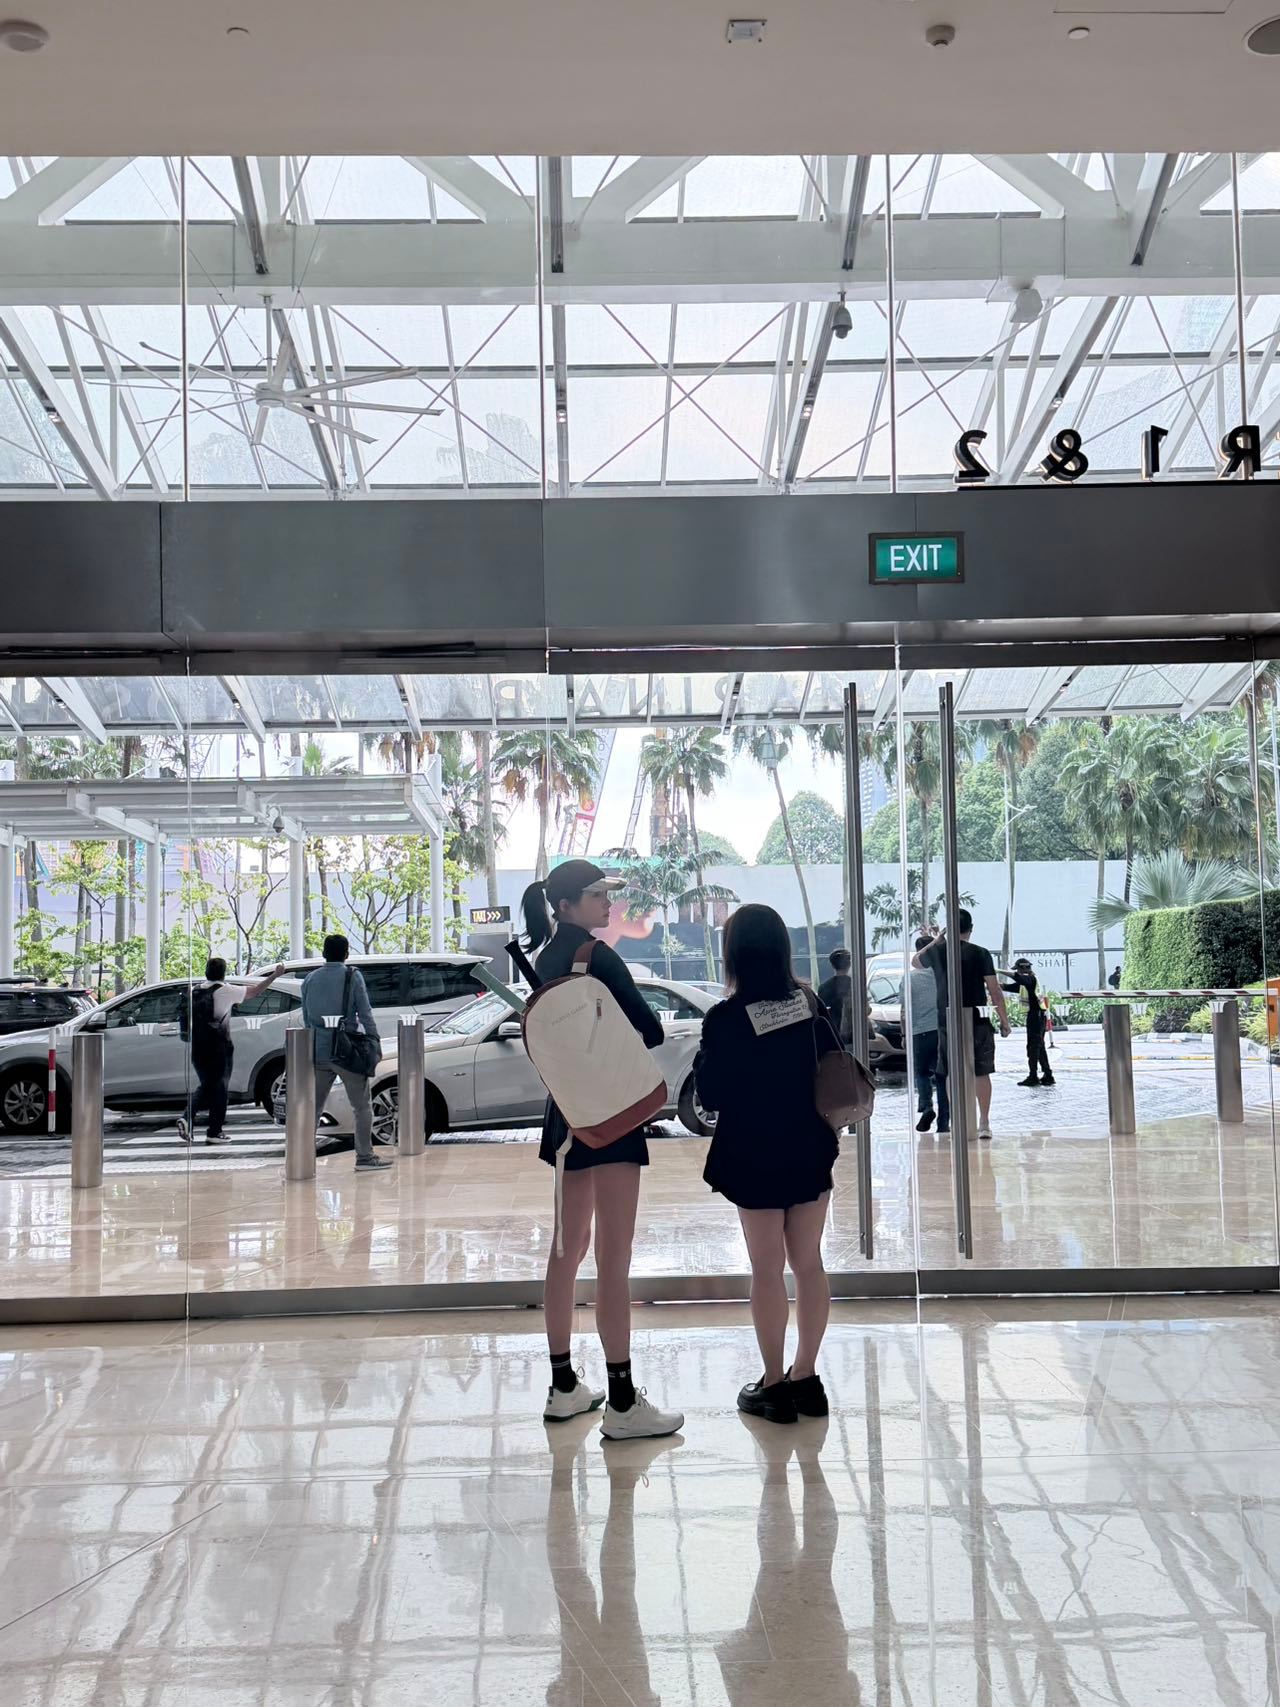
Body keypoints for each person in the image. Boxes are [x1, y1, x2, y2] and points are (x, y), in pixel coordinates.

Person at [524, 858, 684, 1443]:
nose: (607, 903)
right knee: (614, 1257)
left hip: (565, 1115)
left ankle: (563, 1385)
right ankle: (621, 1400)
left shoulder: (546, 957)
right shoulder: (600, 956)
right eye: (597, 894)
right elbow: (650, 1029)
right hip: (612, 1115)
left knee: (566, 1249)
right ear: (567, 904)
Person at [695, 903, 841, 1425]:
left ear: (732, 954)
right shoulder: (809, 1006)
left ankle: (773, 1384)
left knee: (766, 1268)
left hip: (752, 1151)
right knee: (809, 1263)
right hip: (809, 1146)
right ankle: (807, 1377)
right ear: (782, 950)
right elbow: (832, 1069)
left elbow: (711, 1094)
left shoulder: (725, 1018)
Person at [912, 908, 1011, 1142]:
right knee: (981, 1070)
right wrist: (1004, 1020)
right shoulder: (980, 953)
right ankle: (984, 1122)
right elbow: (994, 990)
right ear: (971, 929)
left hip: (947, 1020)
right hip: (977, 1018)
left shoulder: (938, 951)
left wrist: (938, 939)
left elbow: (916, 962)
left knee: (949, 1071)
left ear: (949, 928)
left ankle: (958, 1120)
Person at [301, 935, 392, 1172]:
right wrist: (374, 1040)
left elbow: (306, 1018)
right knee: (361, 1106)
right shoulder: (352, 976)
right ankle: (364, 1157)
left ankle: (303, 1158)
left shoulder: (310, 979)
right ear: (346, 954)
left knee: (313, 1108)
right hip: (346, 1051)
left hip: (318, 1051)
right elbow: (365, 1012)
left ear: (323, 953)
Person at [178, 956, 285, 1145]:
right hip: (218, 1047)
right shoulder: (226, 990)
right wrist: (274, 975)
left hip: (198, 1046)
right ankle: (201, 1124)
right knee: (218, 1088)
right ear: (223, 972)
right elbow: (255, 991)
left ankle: (206, 1127)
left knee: (209, 1085)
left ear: (207, 972)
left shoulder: (195, 990)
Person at [908, 933, 950, 1134]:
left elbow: (905, 1009)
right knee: (942, 1075)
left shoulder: (910, 978)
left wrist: (904, 1034)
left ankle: (926, 1107)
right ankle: (944, 1122)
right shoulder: (943, 975)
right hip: (941, 1030)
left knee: (922, 1073)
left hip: (919, 1031)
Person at [1002, 956, 1055, 1088]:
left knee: (1033, 1047)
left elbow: (1018, 978)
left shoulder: (1030, 979)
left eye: (1018, 969)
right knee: (1039, 1046)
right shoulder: (1027, 983)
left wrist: (998, 971)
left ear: (1023, 969)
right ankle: (1048, 1075)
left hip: (1036, 1017)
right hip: (1036, 1016)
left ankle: (1033, 1076)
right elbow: (1008, 987)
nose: (1017, 972)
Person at [816, 948, 853, 1046]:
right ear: (849, 964)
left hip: (832, 1035)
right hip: (855, 1033)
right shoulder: (856, 985)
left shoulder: (823, 987)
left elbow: (821, 1014)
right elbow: (867, 1010)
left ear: (832, 965)